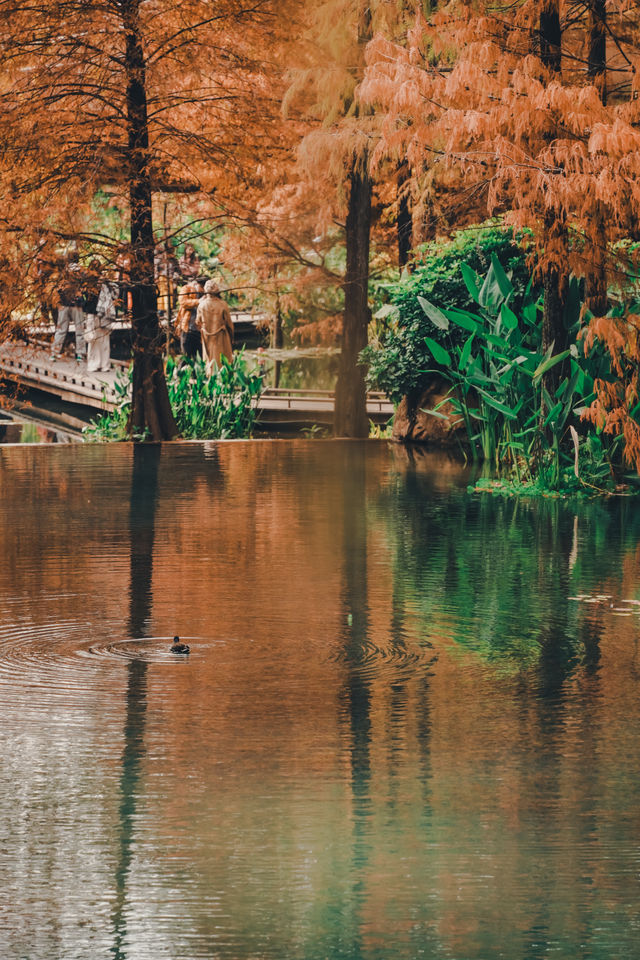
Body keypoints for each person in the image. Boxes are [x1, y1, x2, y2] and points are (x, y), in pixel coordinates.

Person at [51, 251, 85, 361]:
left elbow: (59, 288)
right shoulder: (81, 272)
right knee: (79, 330)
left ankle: (54, 353)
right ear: (78, 259)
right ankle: (80, 354)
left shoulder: (63, 273)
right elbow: (84, 288)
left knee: (61, 329)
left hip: (64, 304)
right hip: (77, 304)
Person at [197, 280, 233, 375]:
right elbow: (229, 324)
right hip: (221, 337)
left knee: (209, 362)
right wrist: (231, 338)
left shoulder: (201, 305)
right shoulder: (223, 304)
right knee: (222, 362)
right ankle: (222, 382)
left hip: (207, 337)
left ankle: (210, 380)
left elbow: (198, 322)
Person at [84, 262, 115, 373]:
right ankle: (103, 364)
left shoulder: (90, 283)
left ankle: (95, 364)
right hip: (101, 314)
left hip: (93, 313)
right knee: (101, 340)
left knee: (94, 340)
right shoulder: (103, 283)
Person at [175, 279, 203, 359]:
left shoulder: (205, 293)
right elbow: (183, 302)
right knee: (186, 357)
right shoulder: (187, 288)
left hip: (199, 330)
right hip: (187, 329)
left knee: (200, 357)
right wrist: (198, 301)